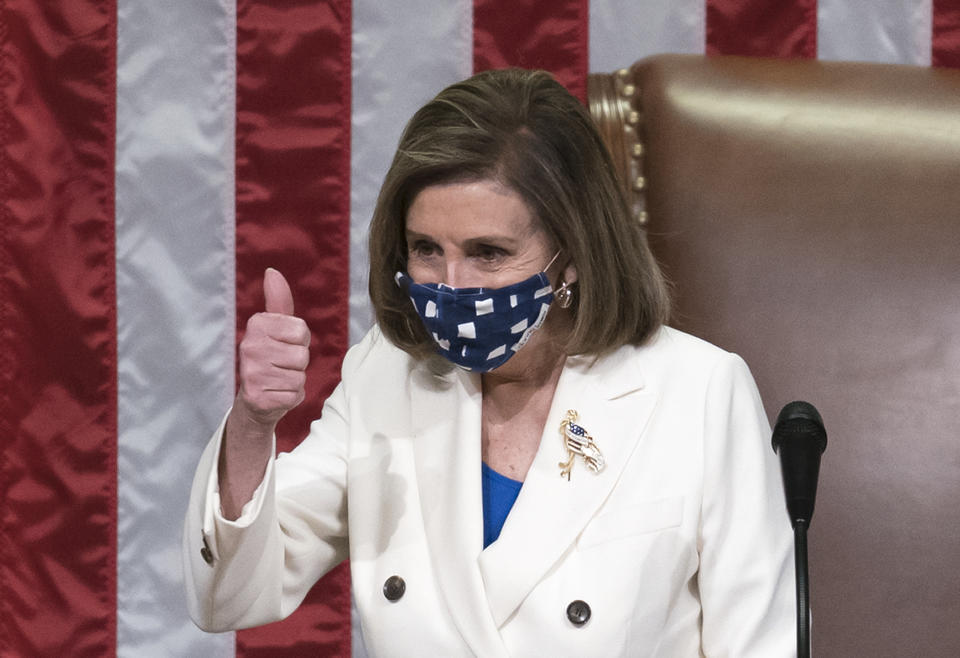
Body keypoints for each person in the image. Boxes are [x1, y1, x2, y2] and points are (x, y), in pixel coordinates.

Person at [183, 68, 795, 656]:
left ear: (574, 251)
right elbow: (229, 597)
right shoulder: (385, 376)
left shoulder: (700, 392)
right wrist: (253, 425)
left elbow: (761, 646)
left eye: (488, 253)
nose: (453, 287)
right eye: (426, 249)